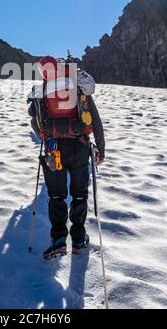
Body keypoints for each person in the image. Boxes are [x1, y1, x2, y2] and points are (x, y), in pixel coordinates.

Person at [28, 55, 105, 260]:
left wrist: (45, 137)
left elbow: (35, 122)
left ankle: (59, 240)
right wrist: (101, 149)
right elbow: (95, 120)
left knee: (57, 195)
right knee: (79, 193)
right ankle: (79, 241)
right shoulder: (79, 88)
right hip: (80, 147)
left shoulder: (42, 90)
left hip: (54, 149)